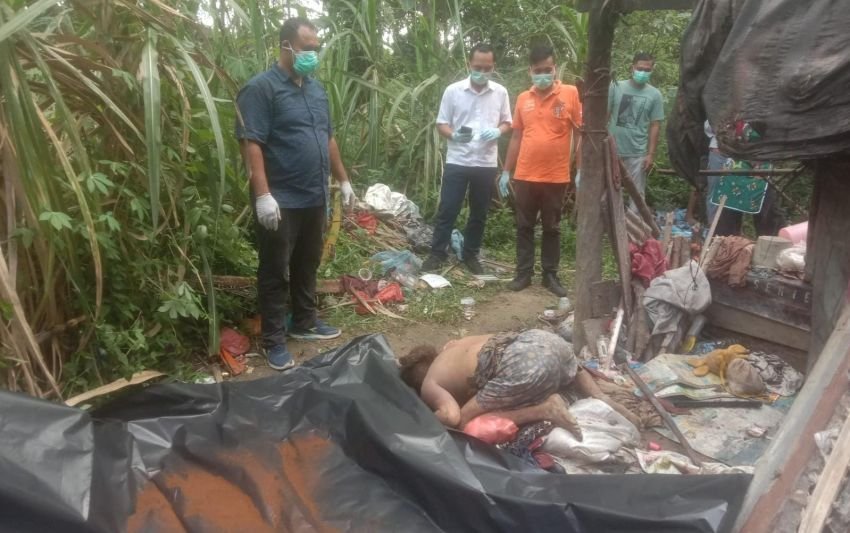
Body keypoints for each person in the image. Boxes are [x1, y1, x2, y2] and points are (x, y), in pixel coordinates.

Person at [236, 18, 354, 370]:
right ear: (286, 46)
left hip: (313, 194)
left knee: (307, 262)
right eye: (306, 47)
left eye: (316, 48)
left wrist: (343, 180)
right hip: (280, 198)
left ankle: (304, 322)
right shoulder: (261, 89)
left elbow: (327, 137)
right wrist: (262, 195)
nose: (312, 54)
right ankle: (273, 340)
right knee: (275, 270)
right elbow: (251, 142)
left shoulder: (317, 91)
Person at [422, 44, 513, 274]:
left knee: (479, 212)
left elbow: (507, 121)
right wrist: (454, 135)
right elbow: (441, 124)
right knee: (448, 208)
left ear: (493, 66)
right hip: (458, 160)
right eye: (477, 67)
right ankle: (437, 253)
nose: (482, 72)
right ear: (469, 65)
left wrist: (498, 131)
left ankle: (471, 255)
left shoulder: (500, 92)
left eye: (487, 68)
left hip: (485, 162)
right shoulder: (453, 91)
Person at [501, 45, 581, 297]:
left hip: (556, 176)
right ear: (530, 72)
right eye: (539, 71)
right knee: (524, 226)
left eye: (548, 69)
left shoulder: (570, 93)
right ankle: (523, 274)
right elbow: (516, 136)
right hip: (525, 174)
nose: (544, 74)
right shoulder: (523, 98)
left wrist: (580, 169)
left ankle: (550, 275)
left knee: (552, 227)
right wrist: (506, 170)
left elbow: (580, 133)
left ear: (555, 67)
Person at [399, 330, 582, 438]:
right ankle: (603, 393)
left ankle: (545, 409)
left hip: (523, 365)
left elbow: (451, 416)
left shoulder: (429, 382)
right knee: (564, 369)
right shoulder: (453, 345)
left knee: (465, 423)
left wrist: (425, 420)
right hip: (543, 339)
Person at [704, 121, 785, 236]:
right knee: (727, 201)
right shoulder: (723, 111)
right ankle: (724, 242)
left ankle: (770, 241)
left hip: (759, 155)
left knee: (764, 199)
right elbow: (715, 124)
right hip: (730, 154)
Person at [608, 52, 665, 209]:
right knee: (610, 192)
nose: (643, 72)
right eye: (640, 68)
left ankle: (635, 231)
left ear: (652, 69)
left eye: (647, 69)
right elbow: (605, 116)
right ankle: (611, 230)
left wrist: (650, 154)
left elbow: (655, 125)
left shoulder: (655, 95)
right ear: (632, 68)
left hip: (637, 153)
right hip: (613, 151)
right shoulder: (616, 87)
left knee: (637, 196)